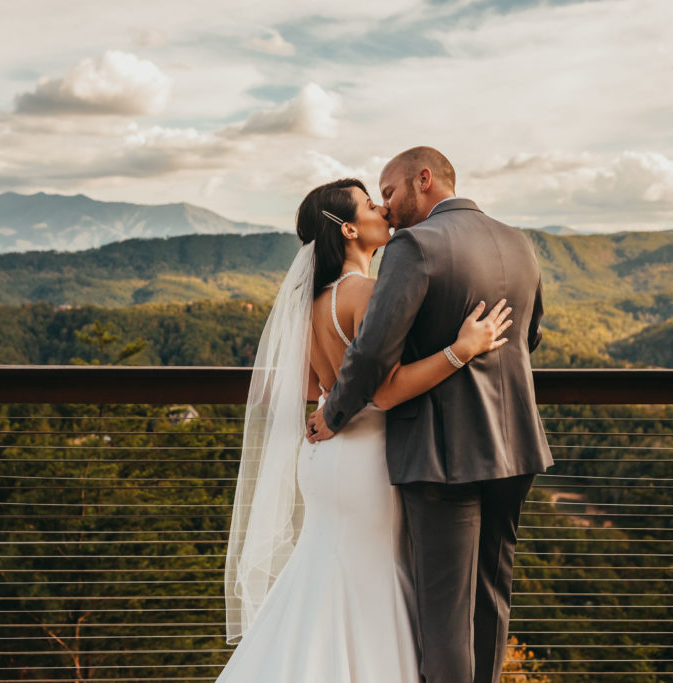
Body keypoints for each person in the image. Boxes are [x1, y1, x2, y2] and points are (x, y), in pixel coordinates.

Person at [219, 177, 513, 683]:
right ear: (350, 229)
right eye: (370, 203)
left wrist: (334, 406)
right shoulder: (368, 293)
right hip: (366, 458)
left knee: (322, 574)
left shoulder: (311, 302)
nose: (384, 209)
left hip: (324, 457)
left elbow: (313, 385)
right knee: (368, 578)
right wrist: (462, 349)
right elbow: (387, 389)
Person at [306, 147, 553, 683]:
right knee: (491, 599)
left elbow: (373, 354)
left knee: (444, 616)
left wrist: (337, 412)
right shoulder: (520, 242)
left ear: (424, 180)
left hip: (443, 455)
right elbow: (528, 338)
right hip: (516, 447)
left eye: (390, 193)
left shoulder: (414, 246)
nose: (387, 208)